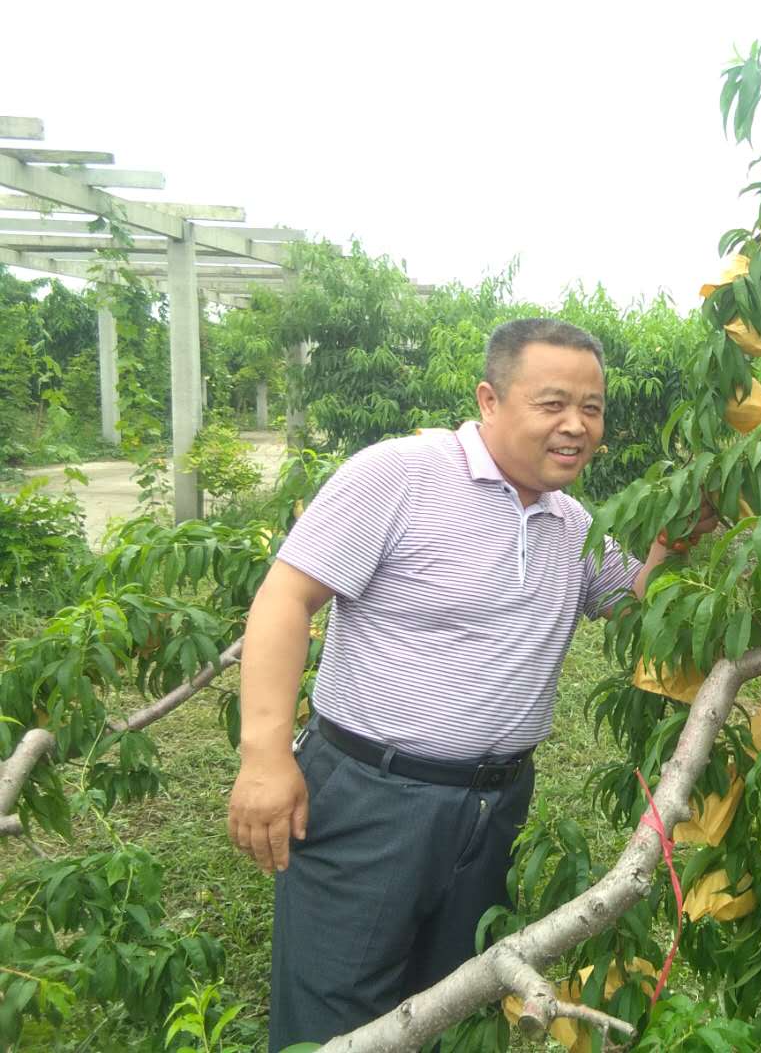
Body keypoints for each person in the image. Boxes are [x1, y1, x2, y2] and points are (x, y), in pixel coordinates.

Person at [226, 318, 703, 1050]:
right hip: (370, 796)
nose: (576, 425)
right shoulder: (401, 474)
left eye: (593, 407)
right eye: (552, 403)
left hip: (496, 805)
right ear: (489, 398)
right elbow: (284, 599)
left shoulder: (568, 519)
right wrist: (264, 755)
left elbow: (636, 601)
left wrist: (674, 545)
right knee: (337, 1010)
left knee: (456, 999)